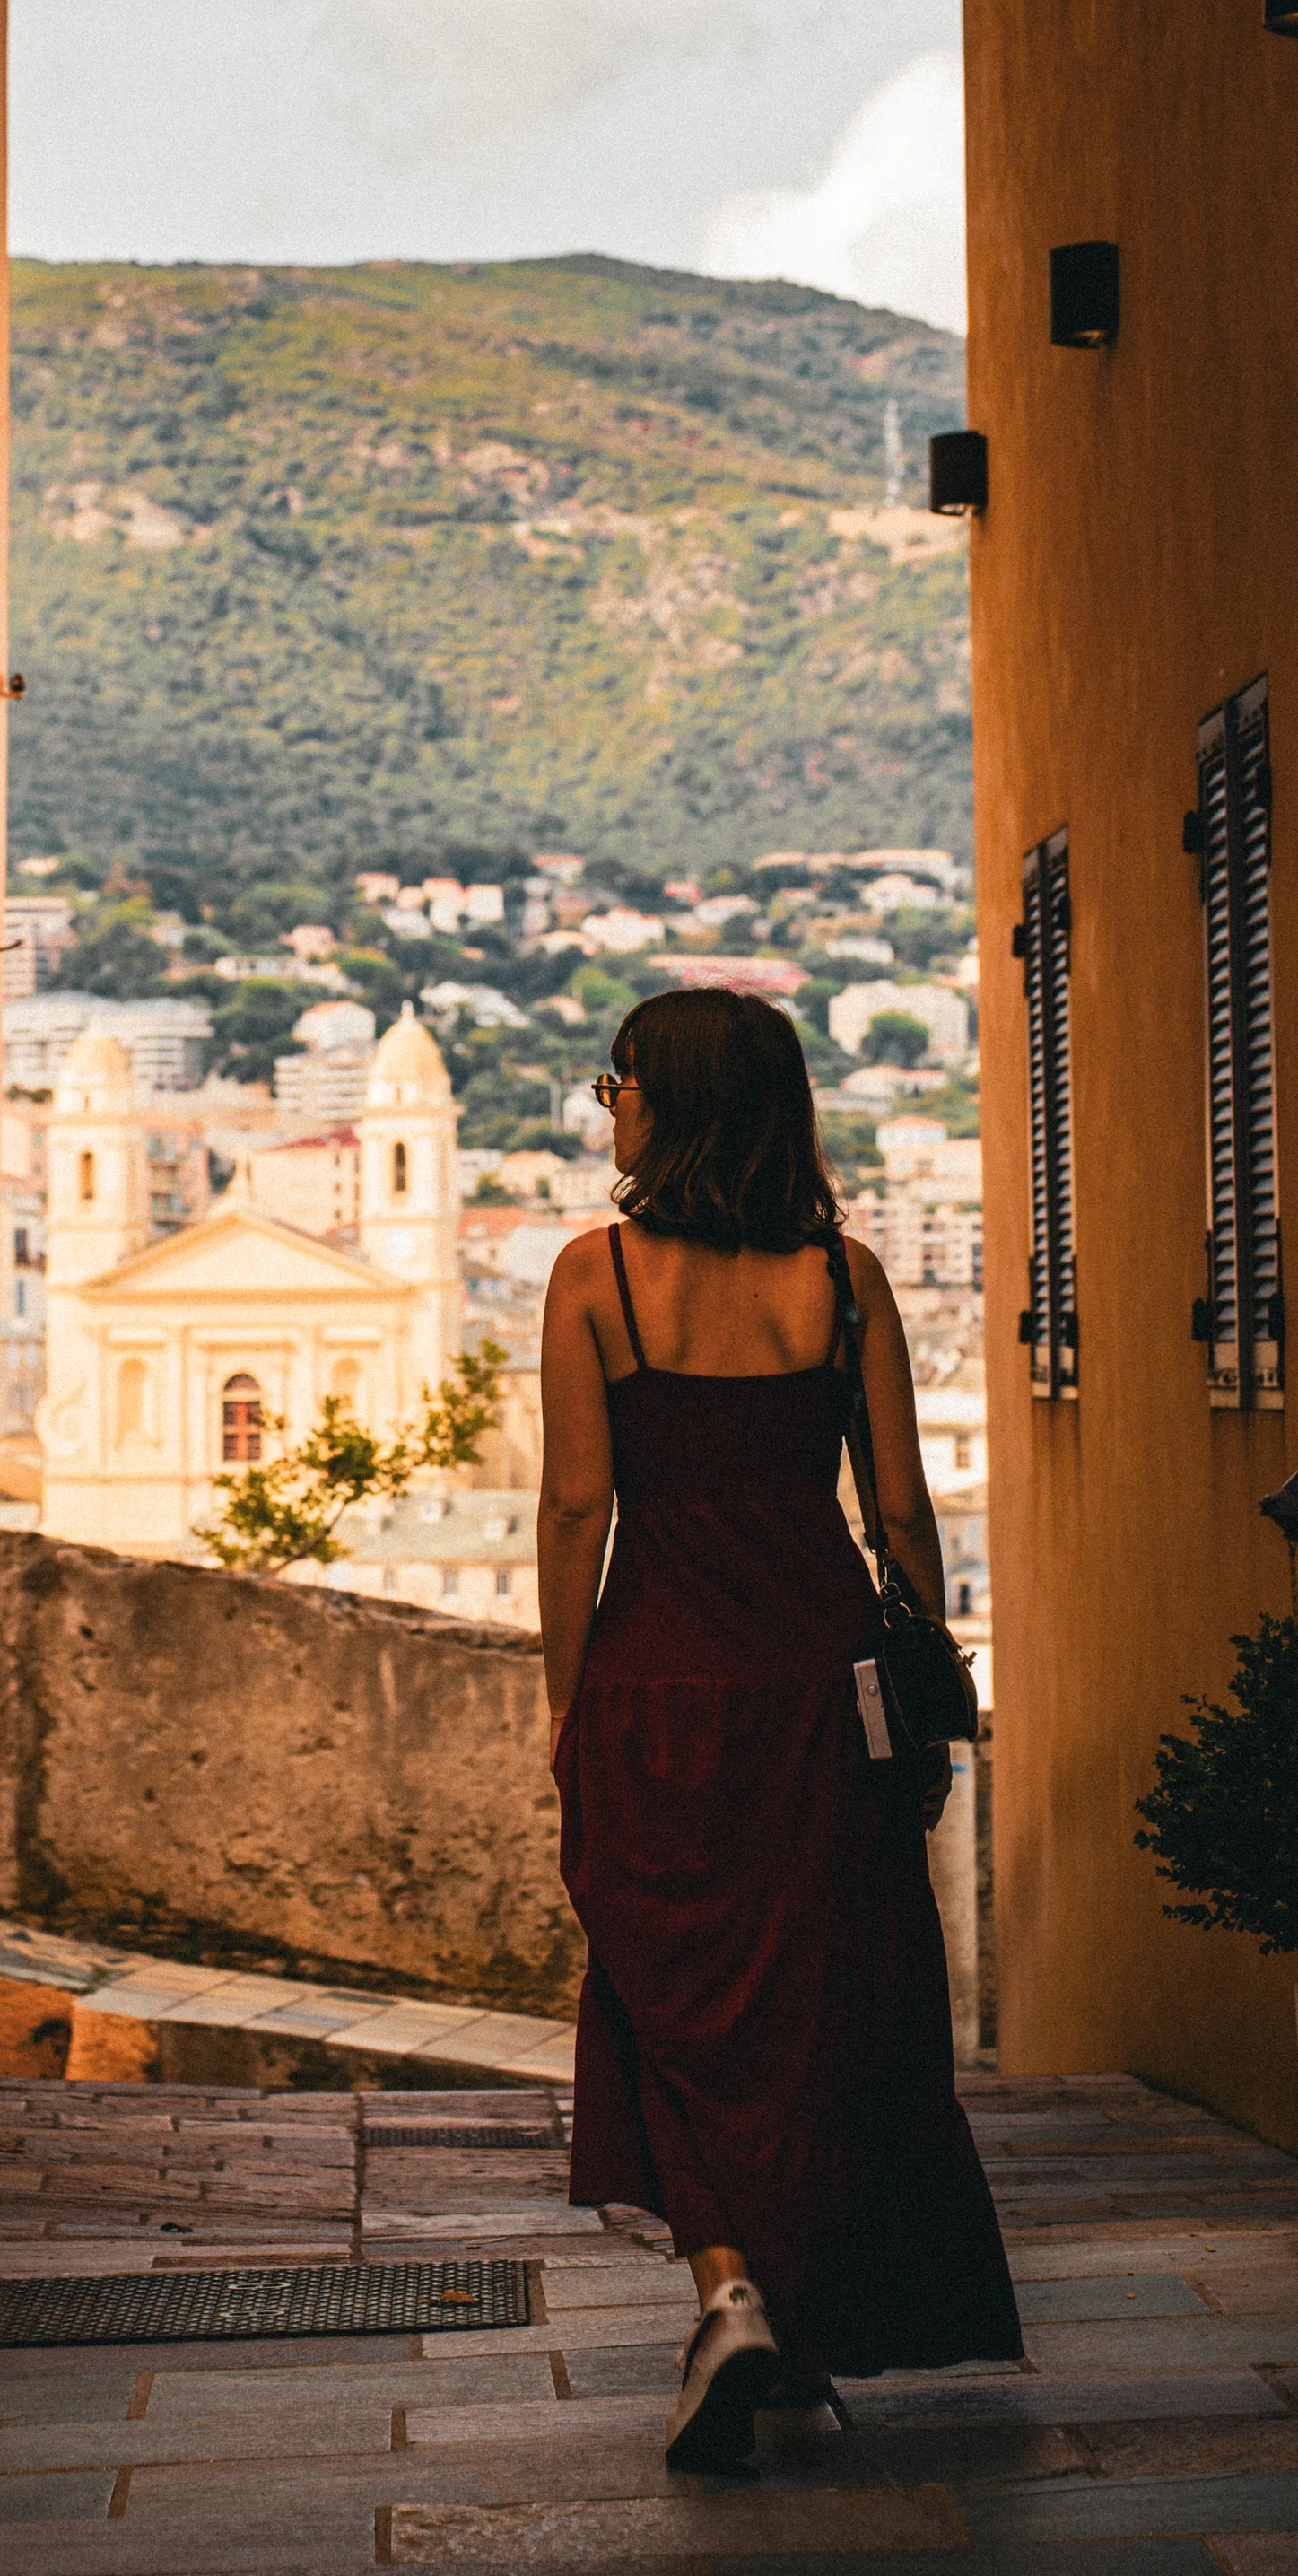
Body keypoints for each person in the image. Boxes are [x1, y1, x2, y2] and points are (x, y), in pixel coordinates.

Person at [536, 987, 1020, 2474]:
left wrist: (567, 1703)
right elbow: (902, 1512)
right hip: (824, 1691)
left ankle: (730, 2291)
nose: (610, 1105)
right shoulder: (844, 1281)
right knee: (827, 2010)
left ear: (673, 1104)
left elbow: (575, 1508)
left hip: (656, 1688)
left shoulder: (595, 1277)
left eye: (620, 1081)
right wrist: (930, 1666)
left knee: (665, 1998)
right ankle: (786, 2310)